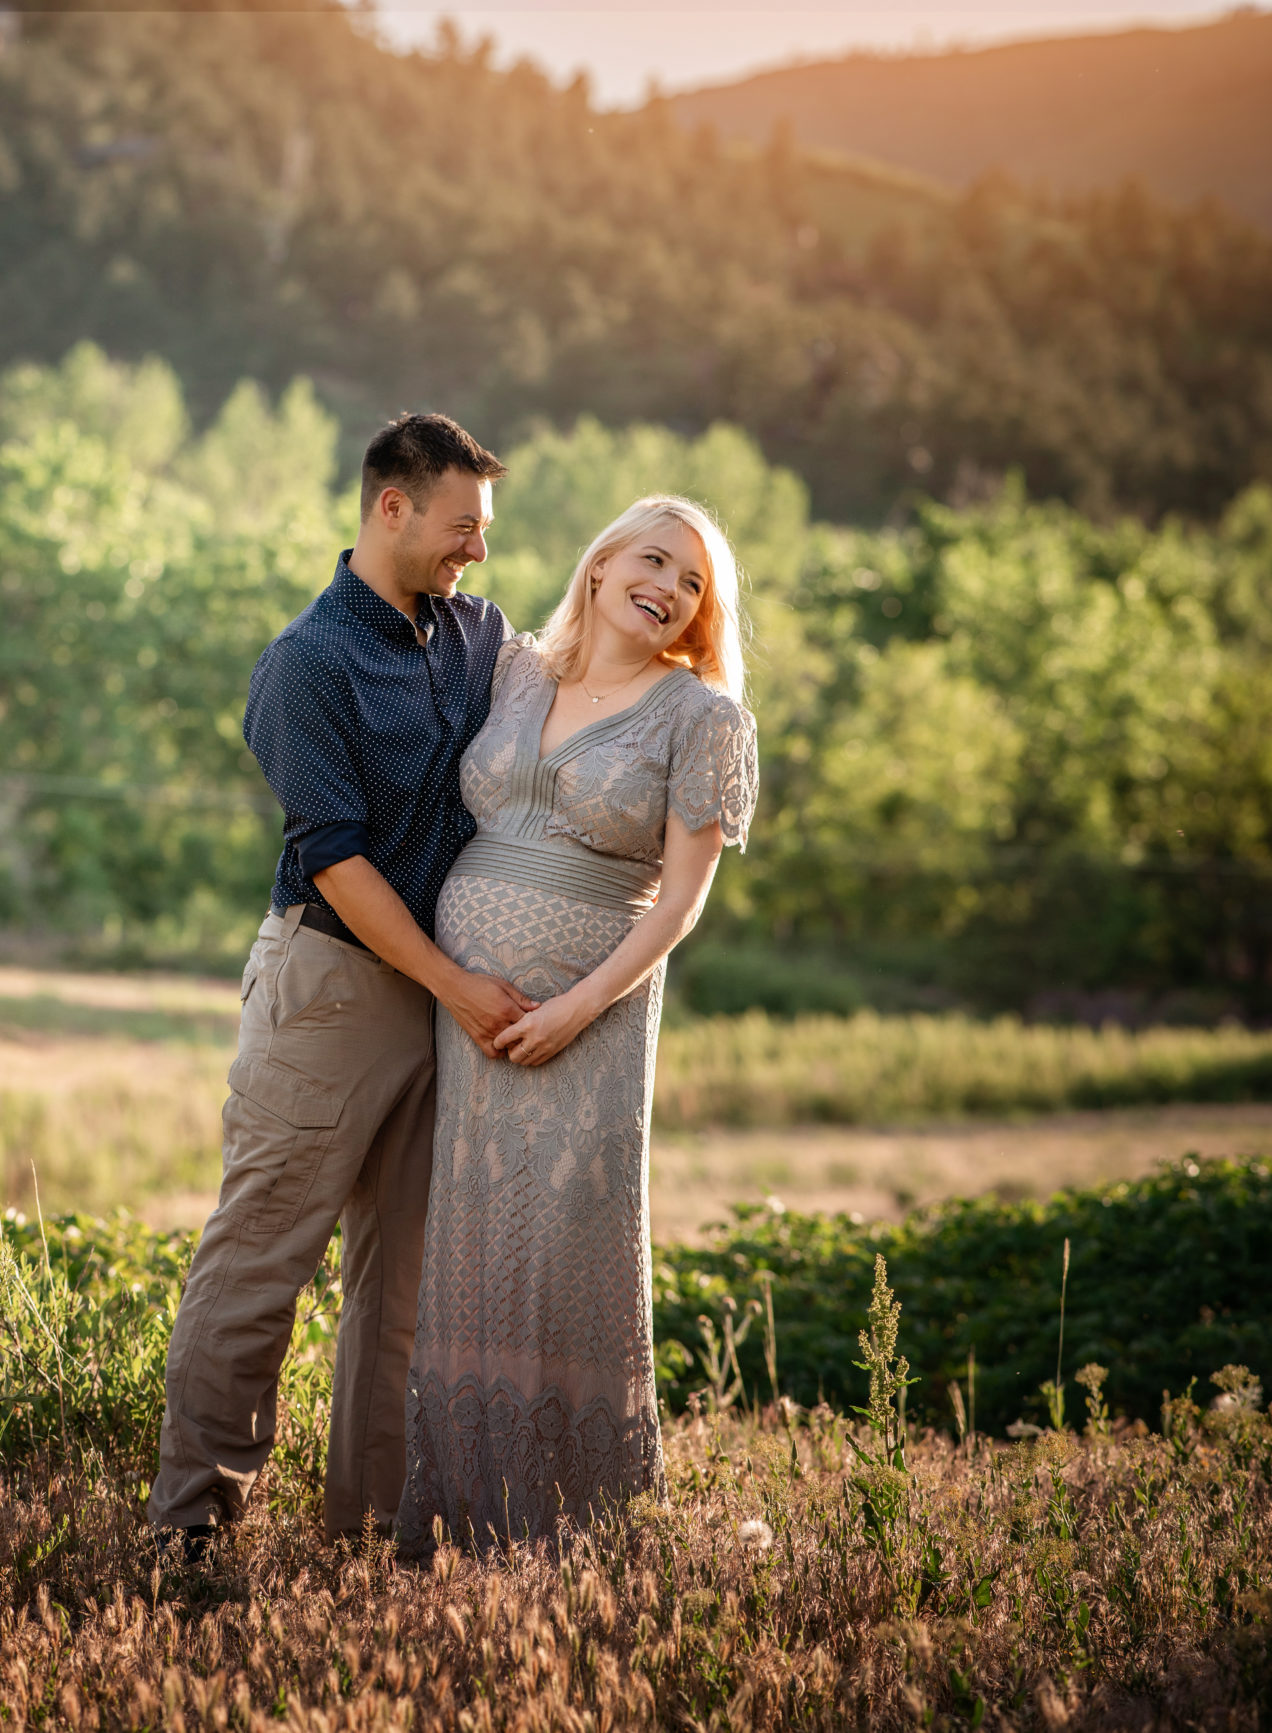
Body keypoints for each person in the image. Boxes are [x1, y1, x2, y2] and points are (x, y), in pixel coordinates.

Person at [150, 412, 536, 1553]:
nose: (476, 550)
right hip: (331, 983)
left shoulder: (479, 637)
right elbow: (336, 854)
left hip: (439, 1002)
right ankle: (191, 1534)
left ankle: (368, 1535)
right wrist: (458, 986)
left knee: (402, 1284)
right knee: (262, 1256)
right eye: (462, 526)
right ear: (390, 507)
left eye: (484, 528)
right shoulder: (306, 662)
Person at [393, 494, 759, 1559]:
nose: (670, 588)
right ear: (599, 566)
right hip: (464, 1018)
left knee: (562, 1249)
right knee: (471, 1250)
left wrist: (573, 1005)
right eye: (654, 559)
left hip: (586, 1017)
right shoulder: (514, 671)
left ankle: (571, 1526)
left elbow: (682, 901)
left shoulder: (701, 717)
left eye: (693, 583)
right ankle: (460, 1522)